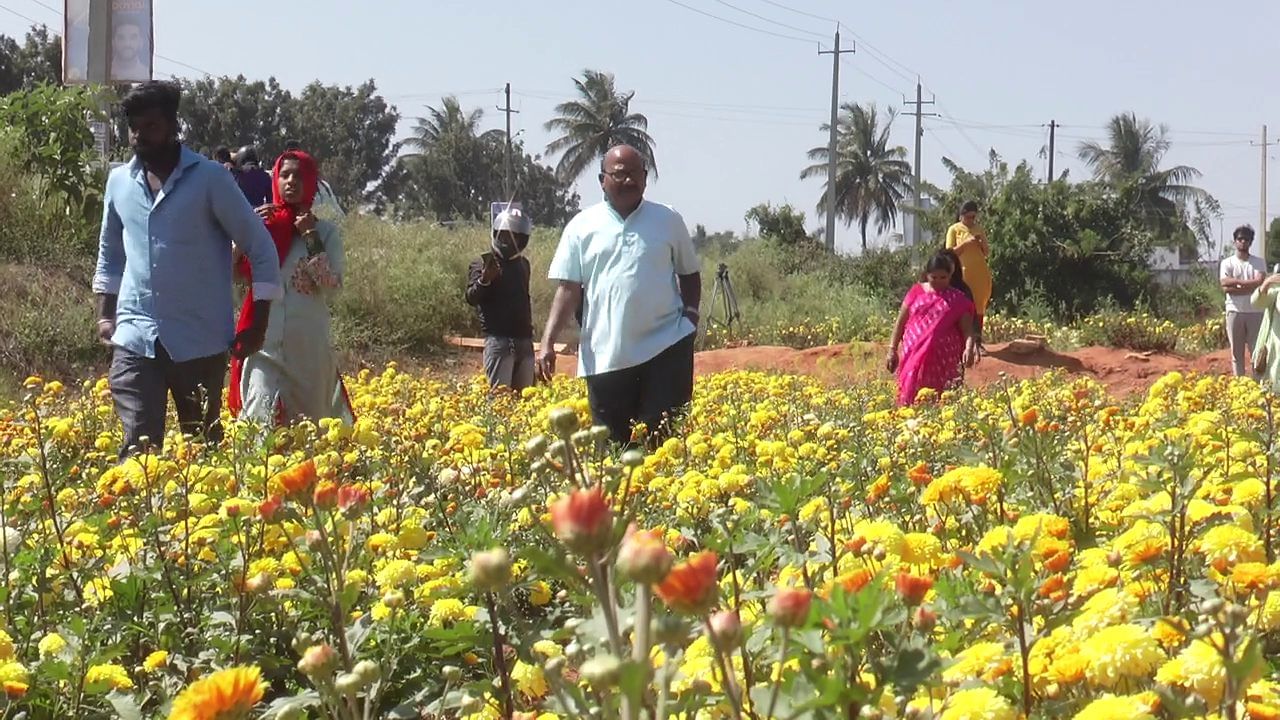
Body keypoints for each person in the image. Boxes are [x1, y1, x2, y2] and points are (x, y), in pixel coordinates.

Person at [92, 81, 283, 459]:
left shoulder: (210, 179)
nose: (139, 137)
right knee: (139, 451)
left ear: (172, 126)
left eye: (151, 127)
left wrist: (257, 323)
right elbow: (109, 254)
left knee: (203, 452)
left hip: (200, 341)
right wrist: (105, 317)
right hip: (135, 337)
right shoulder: (119, 183)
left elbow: (261, 249)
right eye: (133, 128)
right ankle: (137, 516)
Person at [536, 144, 702, 446]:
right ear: (602, 180)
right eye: (619, 174)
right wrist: (547, 342)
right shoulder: (581, 226)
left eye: (635, 174)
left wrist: (690, 318)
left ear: (646, 178)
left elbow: (689, 273)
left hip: (667, 345)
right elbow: (568, 289)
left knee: (664, 441)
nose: (628, 181)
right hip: (606, 353)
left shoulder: (667, 219)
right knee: (613, 446)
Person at [229, 150, 354, 426]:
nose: (291, 181)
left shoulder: (326, 233)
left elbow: (331, 286)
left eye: (299, 175)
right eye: (284, 175)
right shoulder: (261, 228)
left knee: (310, 428)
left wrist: (310, 236)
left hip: (307, 347)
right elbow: (232, 276)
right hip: (263, 344)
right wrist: (245, 235)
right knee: (258, 422)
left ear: (311, 182)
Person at [886, 251, 980, 406]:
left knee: (943, 400)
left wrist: (969, 348)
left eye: (943, 277)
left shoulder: (957, 300)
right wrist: (892, 349)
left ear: (950, 276)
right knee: (911, 395)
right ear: (927, 275)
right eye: (934, 277)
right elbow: (900, 323)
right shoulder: (916, 292)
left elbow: (967, 330)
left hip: (944, 359)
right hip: (913, 354)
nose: (938, 282)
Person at [466, 209, 536, 391]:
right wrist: (485, 280)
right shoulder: (482, 263)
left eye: (515, 237)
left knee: (526, 402)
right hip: (499, 341)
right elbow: (471, 298)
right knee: (501, 402)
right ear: (496, 234)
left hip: (524, 340)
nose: (509, 241)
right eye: (505, 236)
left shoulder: (523, 264)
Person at [1220, 225, 1266, 377]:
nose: (1243, 242)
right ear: (1235, 241)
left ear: (1251, 242)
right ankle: (1239, 386)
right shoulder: (1227, 263)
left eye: (1246, 239)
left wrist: (1237, 283)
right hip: (1234, 311)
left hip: (1255, 312)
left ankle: (1258, 385)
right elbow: (1225, 286)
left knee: (1257, 352)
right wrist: (1251, 286)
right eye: (1240, 239)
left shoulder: (1259, 262)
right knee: (1236, 353)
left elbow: (1260, 281)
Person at [945, 201, 993, 346]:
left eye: (973, 217)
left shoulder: (978, 229)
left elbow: (986, 252)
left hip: (980, 275)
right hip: (963, 275)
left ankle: (977, 341)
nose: (971, 220)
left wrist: (980, 242)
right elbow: (949, 253)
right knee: (963, 306)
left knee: (979, 307)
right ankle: (962, 341)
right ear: (961, 216)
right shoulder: (954, 229)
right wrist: (966, 244)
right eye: (968, 217)